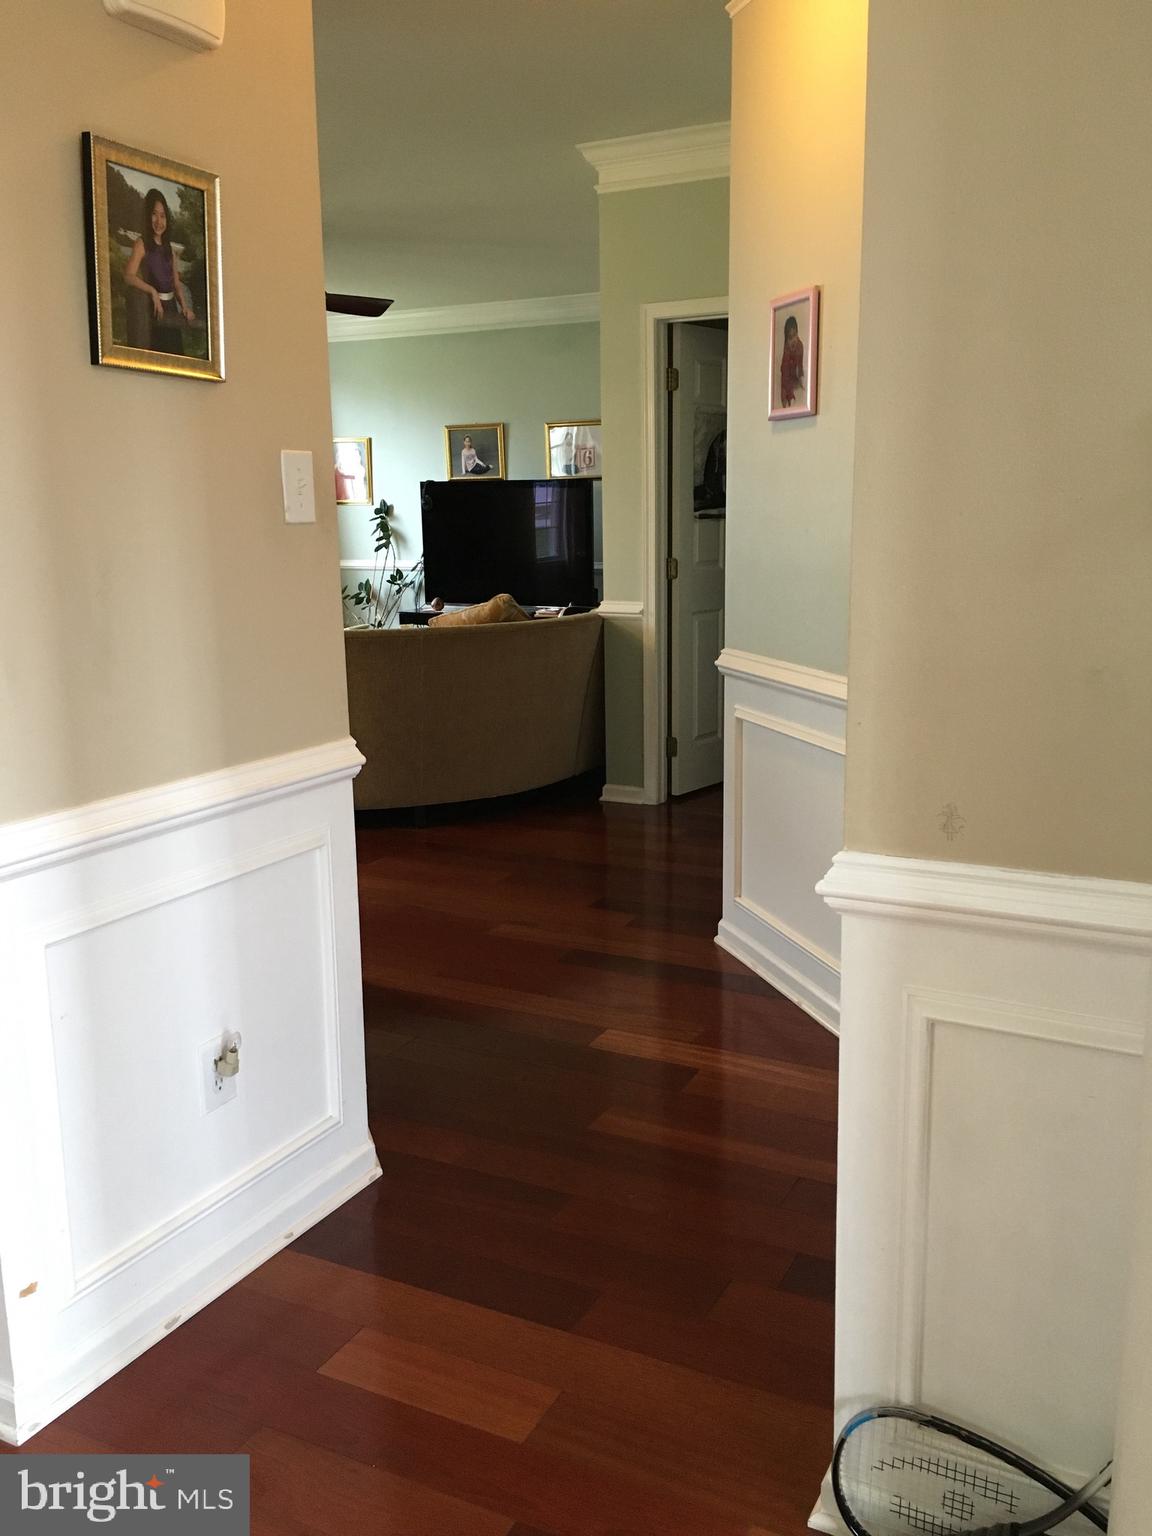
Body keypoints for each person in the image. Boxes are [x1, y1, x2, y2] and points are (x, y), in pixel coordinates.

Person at [123, 188, 195, 355]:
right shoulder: (142, 244)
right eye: (154, 214)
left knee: (175, 354)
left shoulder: (169, 249)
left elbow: (175, 283)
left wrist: (184, 307)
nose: (158, 221)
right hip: (153, 309)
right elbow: (128, 276)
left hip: (170, 307)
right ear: (148, 215)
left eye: (163, 216)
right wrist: (152, 291)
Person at [779, 313, 805, 408]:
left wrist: (801, 378)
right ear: (786, 340)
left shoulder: (799, 345)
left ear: (797, 333)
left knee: (799, 387)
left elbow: (800, 364)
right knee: (784, 396)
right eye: (790, 338)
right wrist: (788, 392)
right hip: (786, 376)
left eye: (795, 335)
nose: (793, 340)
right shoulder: (786, 350)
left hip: (794, 375)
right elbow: (785, 373)